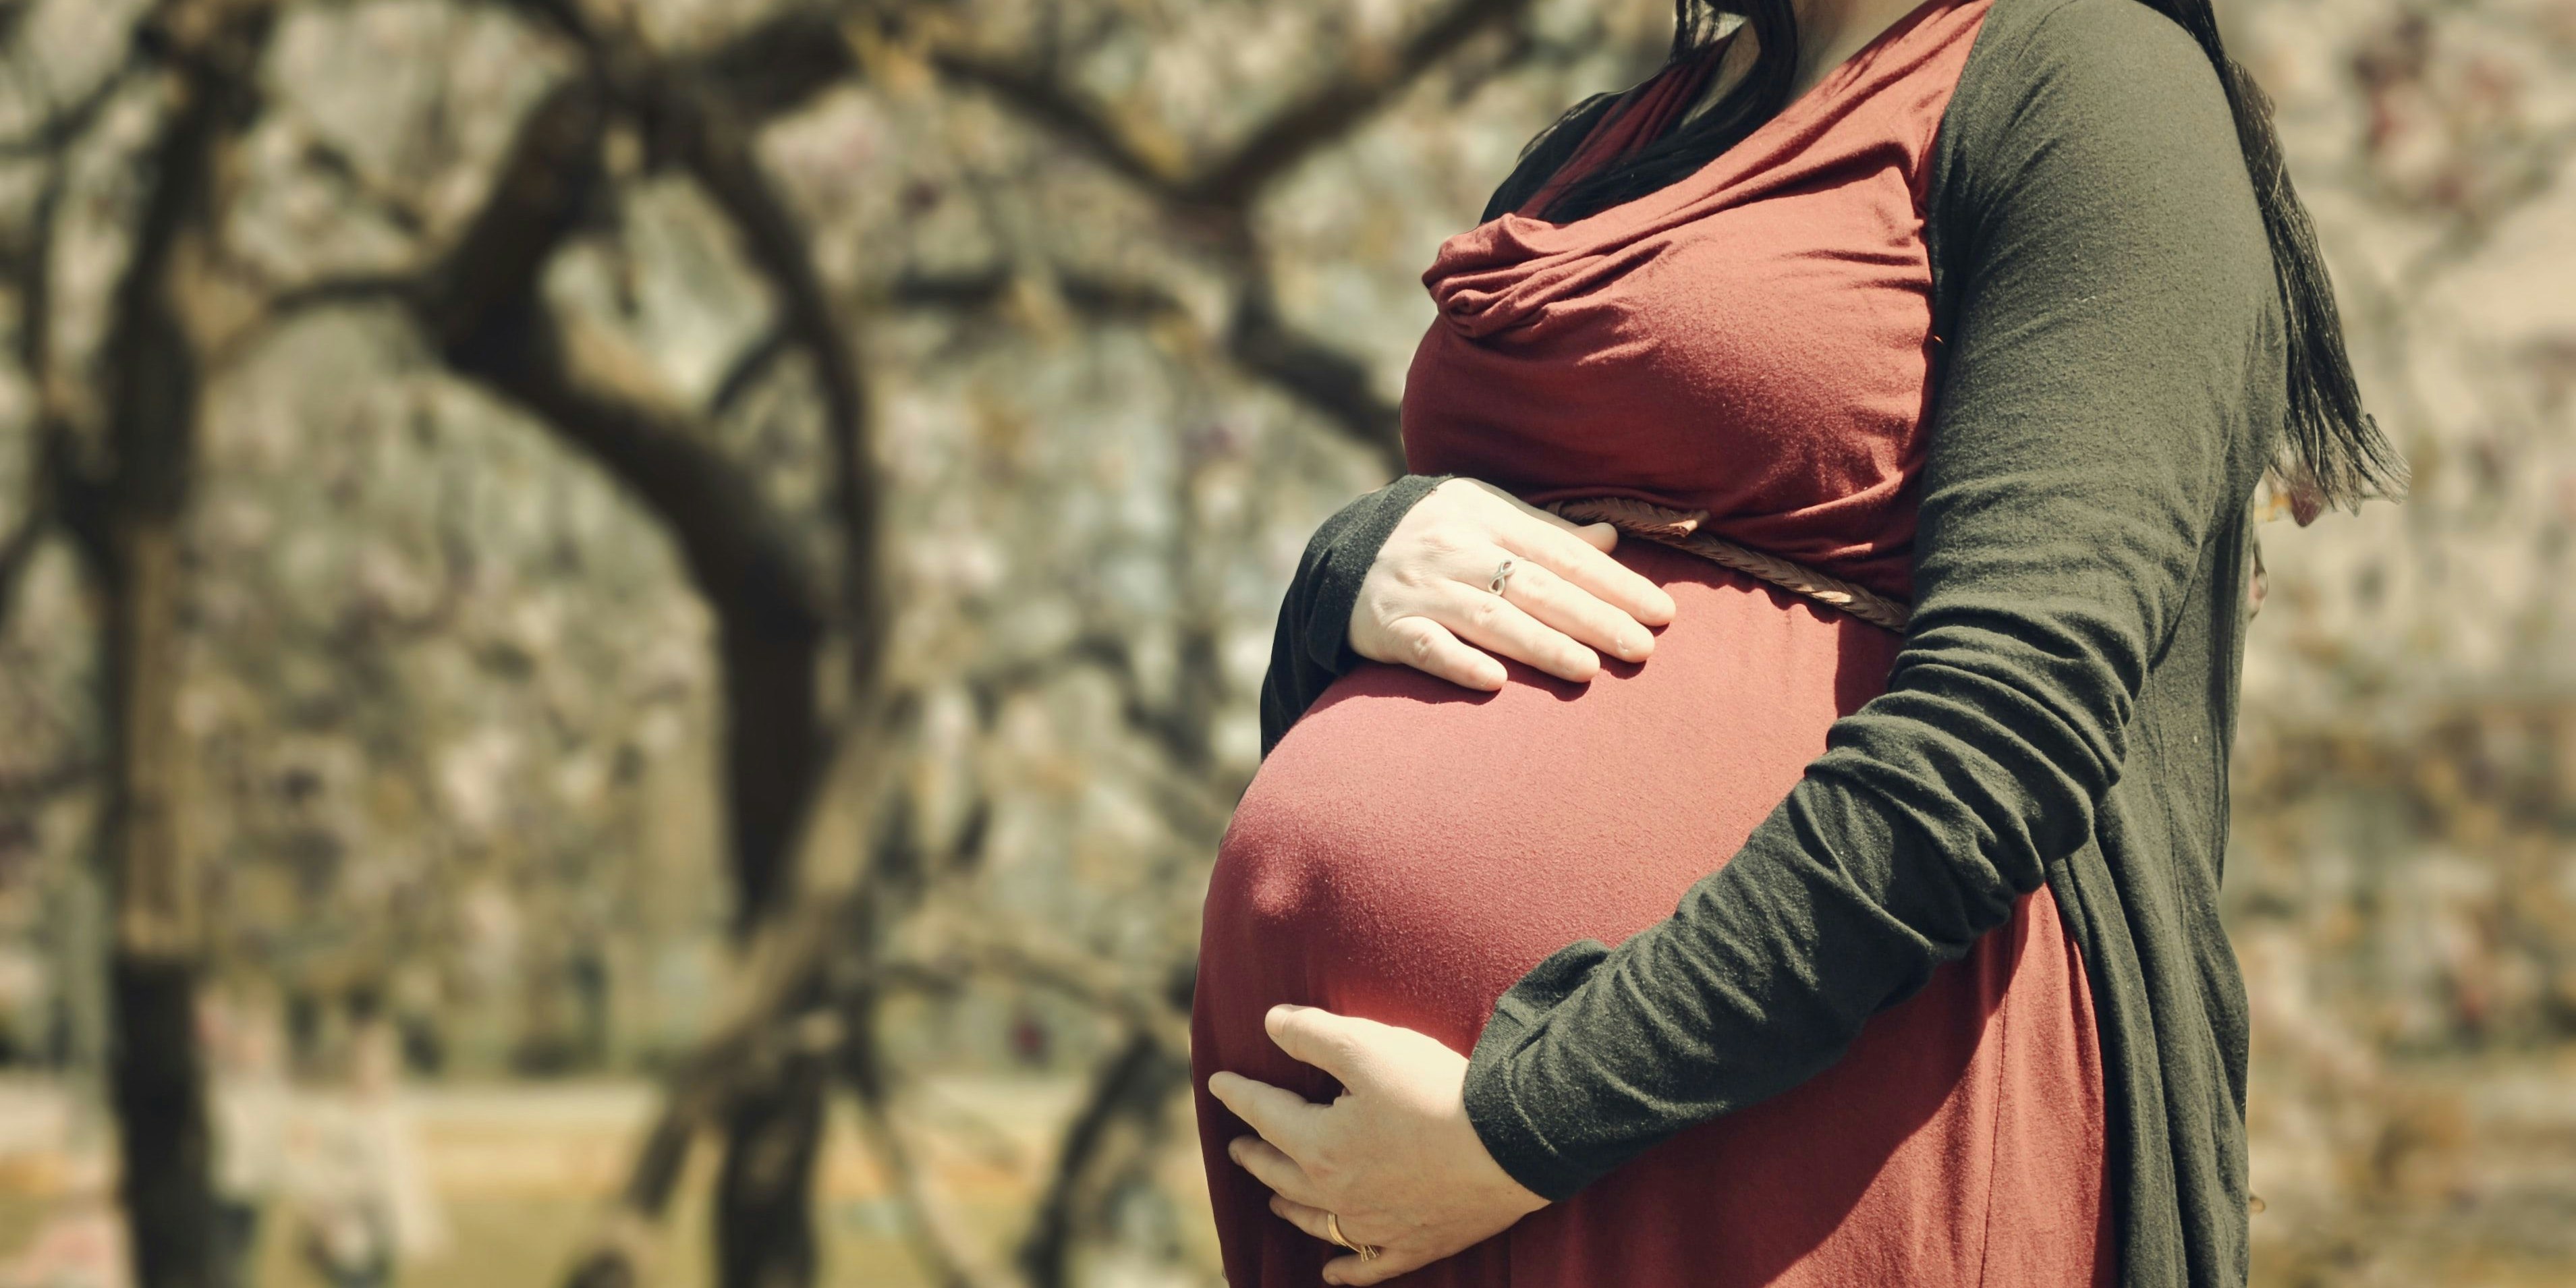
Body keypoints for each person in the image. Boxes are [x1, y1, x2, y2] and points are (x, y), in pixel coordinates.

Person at [1190, 0, 2405, 1285]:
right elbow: (1479, 577)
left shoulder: (2091, 81)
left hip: (1776, 1130)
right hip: (1402, 1175)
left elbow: (2008, 724)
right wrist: (1348, 567)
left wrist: (1523, 1124)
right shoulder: (1612, 144)